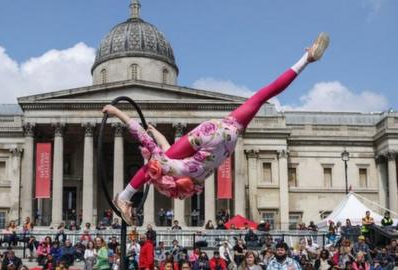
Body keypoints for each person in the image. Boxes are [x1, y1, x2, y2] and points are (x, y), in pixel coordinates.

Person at [105, 33, 330, 224]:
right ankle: (306, 59)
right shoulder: (175, 167)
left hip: (229, 136)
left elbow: (159, 147)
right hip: (213, 132)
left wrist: (128, 119)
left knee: (263, 95)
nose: (153, 170)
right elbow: (154, 145)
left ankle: (123, 199)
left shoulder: (193, 175)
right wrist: (121, 115)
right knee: (265, 93)